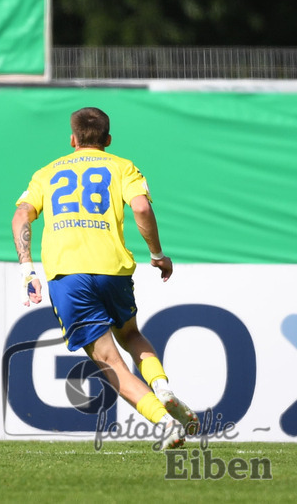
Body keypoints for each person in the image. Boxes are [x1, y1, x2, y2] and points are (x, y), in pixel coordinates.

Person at [11, 107, 197, 451]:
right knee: (130, 334)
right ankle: (163, 388)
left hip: (68, 277)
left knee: (109, 361)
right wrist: (157, 255)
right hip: (112, 269)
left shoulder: (47, 173)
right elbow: (141, 208)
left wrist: (27, 270)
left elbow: (21, 214)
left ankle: (165, 422)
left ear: (72, 139)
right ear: (108, 140)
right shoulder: (122, 166)